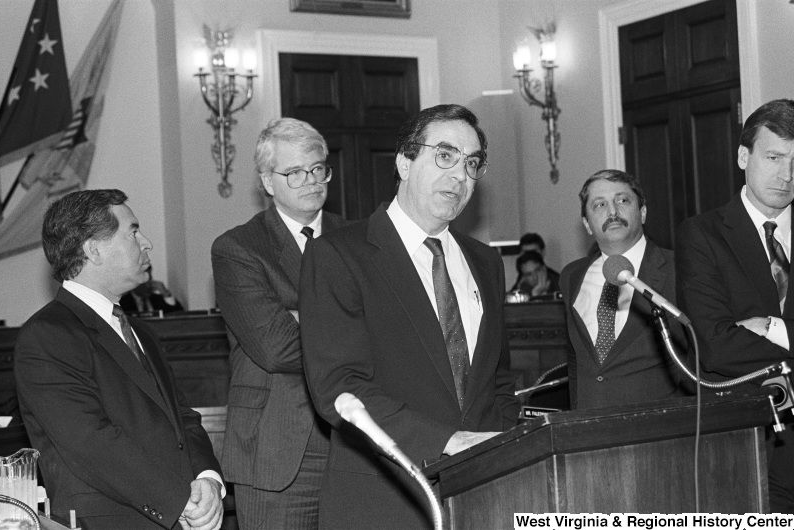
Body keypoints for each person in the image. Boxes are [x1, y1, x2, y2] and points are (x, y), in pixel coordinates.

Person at [299, 104, 520, 529]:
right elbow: (339, 389)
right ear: (404, 161)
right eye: (445, 155)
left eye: (472, 163)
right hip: (384, 497)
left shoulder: (485, 262)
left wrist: (507, 450)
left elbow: (498, 380)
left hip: (483, 494)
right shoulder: (340, 255)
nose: (460, 174)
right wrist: (447, 442)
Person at [14, 189, 224, 530]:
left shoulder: (141, 331)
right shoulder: (48, 335)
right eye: (133, 231)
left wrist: (208, 479)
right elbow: (90, 442)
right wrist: (178, 501)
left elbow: (181, 419)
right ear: (93, 250)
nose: (147, 242)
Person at [211, 118, 348, 529]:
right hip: (278, 449)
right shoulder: (238, 248)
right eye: (294, 172)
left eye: (318, 168)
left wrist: (301, 316)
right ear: (268, 182)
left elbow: (393, 326)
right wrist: (350, 321)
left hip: (356, 444)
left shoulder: (361, 238)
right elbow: (276, 348)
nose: (311, 180)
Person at [676, 99, 794, 512]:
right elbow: (715, 344)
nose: (787, 174)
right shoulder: (701, 235)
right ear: (744, 156)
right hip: (745, 445)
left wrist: (773, 329)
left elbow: (739, 340)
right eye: (774, 156)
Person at [560, 170, 687, 410]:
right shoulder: (571, 277)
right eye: (599, 205)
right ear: (587, 224)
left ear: (643, 212)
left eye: (622, 200)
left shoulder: (679, 269)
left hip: (659, 432)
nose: (612, 212)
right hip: (588, 430)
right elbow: (577, 362)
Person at [119, 265, 184, 314]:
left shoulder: (158, 300)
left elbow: (179, 316)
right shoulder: (122, 303)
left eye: (150, 279)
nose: (148, 284)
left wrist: (166, 294)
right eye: (145, 280)